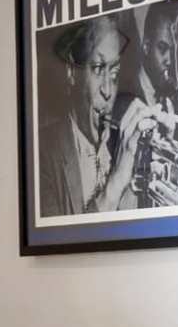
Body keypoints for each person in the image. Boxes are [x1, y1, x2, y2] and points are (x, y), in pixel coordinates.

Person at [44, 15, 143, 216]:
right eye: (98, 68)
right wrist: (116, 182)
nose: (108, 90)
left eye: (114, 74)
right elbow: (65, 236)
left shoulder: (122, 147)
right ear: (72, 71)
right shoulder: (42, 153)